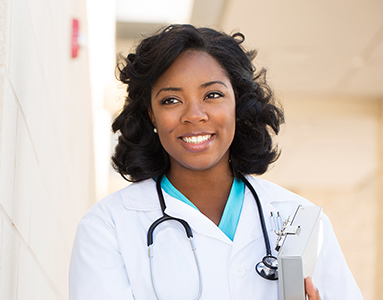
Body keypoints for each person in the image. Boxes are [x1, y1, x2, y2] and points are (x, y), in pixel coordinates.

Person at [69, 24, 363, 300]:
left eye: (213, 95)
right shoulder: (108, 226)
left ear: (238, 104)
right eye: (171, 100)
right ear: (150, 115)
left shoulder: (302, 220)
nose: (194, 115)